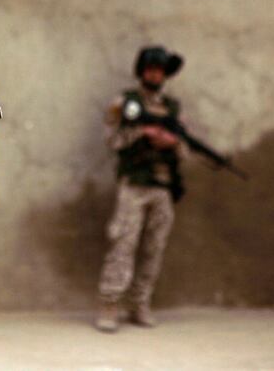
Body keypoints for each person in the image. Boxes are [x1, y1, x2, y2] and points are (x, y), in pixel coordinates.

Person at [95, 46, 184, 333]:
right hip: (134, 185)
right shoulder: (125, 103)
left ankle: (140, 303)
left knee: (154, 248)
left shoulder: (172, 108)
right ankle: (110, 303)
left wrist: (171, 142)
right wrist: (142, 133)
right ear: (142, 71)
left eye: (159, 70)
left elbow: (184, 149)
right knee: (123, 244)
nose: (155, 74)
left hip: (162, 186)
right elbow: (112, 139)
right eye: (150, 69)